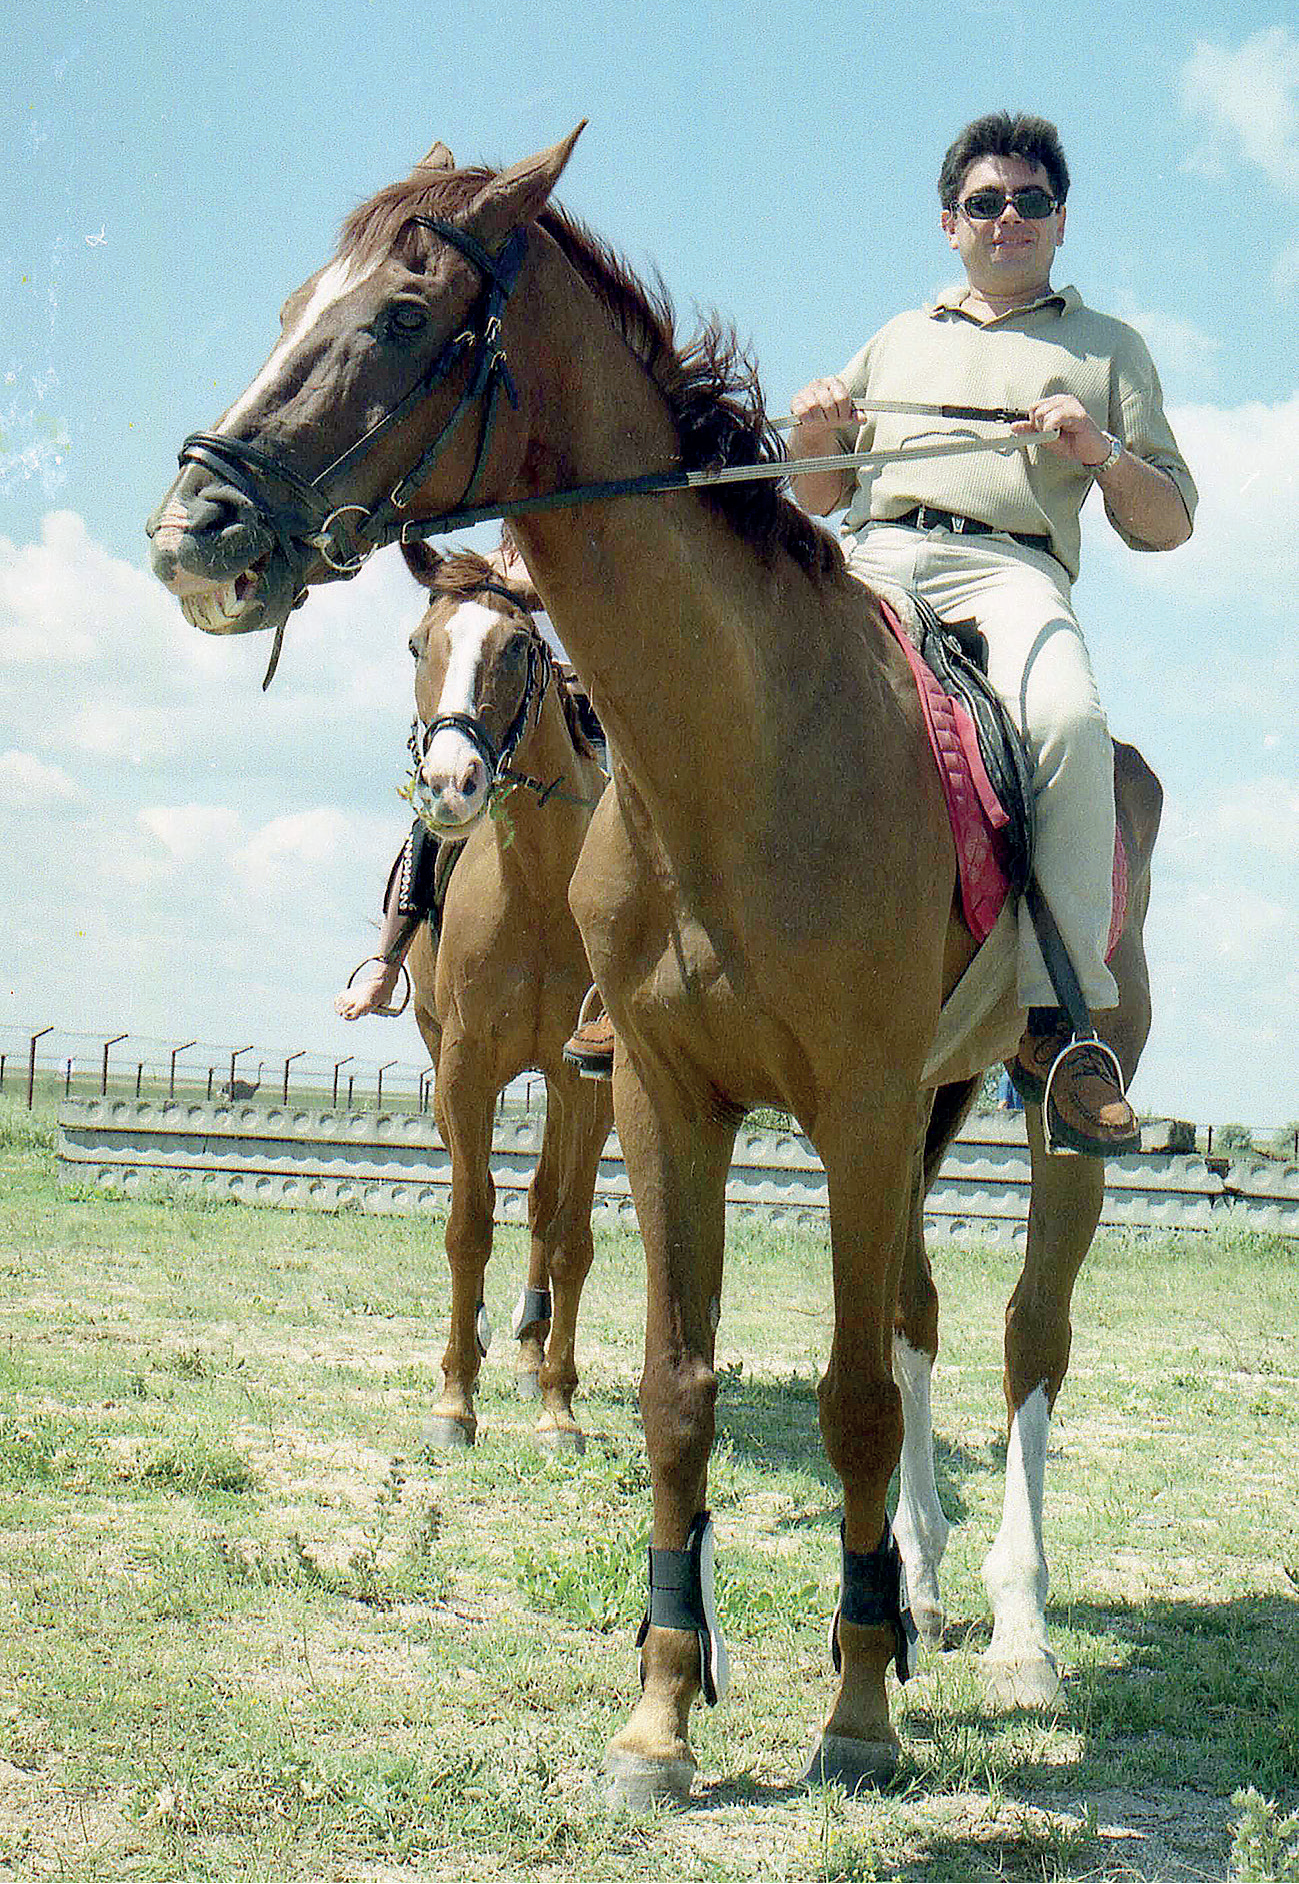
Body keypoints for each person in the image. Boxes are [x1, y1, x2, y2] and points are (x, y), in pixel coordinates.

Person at [786, 110, 1196, 1155]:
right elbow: (822, 492)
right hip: (870, 561)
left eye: (1030, 203)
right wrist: (815, 433)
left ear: (1061, 223)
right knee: (737, 676)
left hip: (1009, 569)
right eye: (985, 203)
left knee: (1067, 723)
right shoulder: (896, 336)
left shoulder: (1110, 348)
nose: (1007, 218)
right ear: (948, 223)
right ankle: (634, 966)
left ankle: (1060, 1024)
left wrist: (1101, 452)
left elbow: (1169, 522)